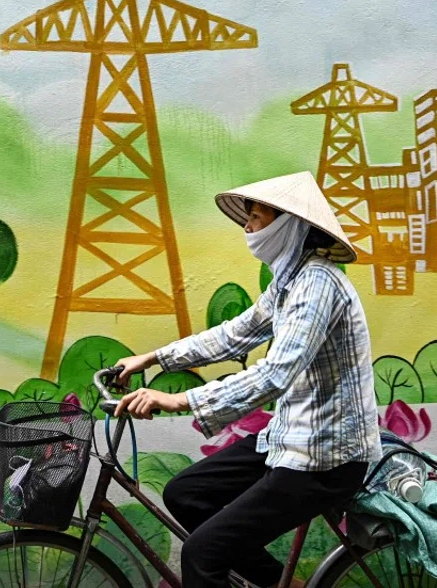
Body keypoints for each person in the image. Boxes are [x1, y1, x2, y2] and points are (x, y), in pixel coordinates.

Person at [113, 171, 382, 588]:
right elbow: (235, 333)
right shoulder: (289, 281)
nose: (248, 226)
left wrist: (178, 401)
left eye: (256, 216)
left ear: (288, 224)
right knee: (186, 495)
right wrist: (154, 358)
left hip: (326, 457)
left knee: (202, 555)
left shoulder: (317, 284)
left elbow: (276, 374)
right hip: (293, 438)